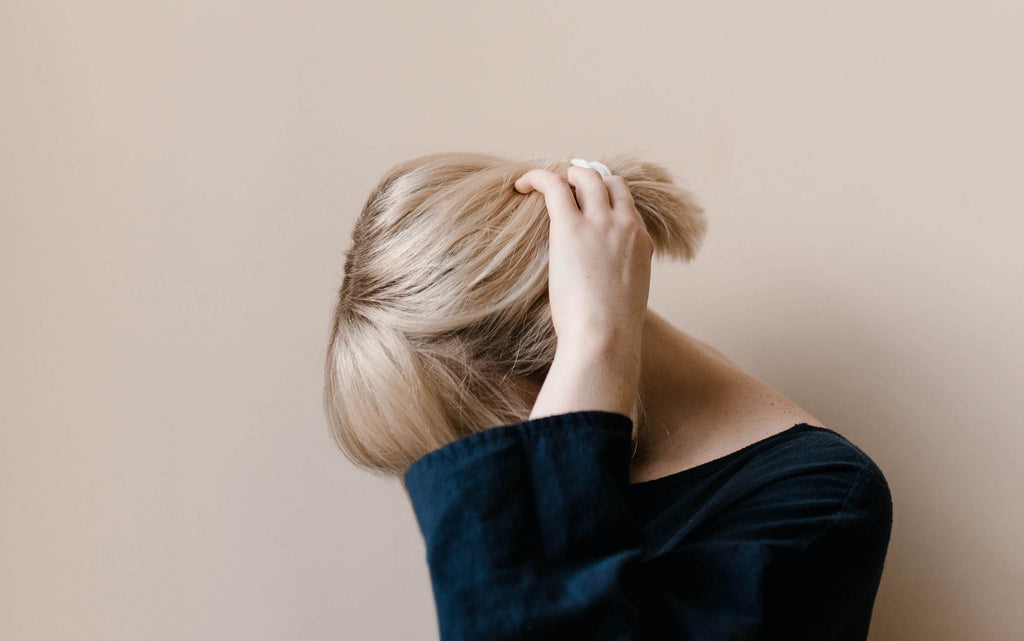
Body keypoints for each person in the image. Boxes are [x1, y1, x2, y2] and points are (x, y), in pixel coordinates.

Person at [324, 153, 892, 640]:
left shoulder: (820, 499)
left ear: (554, 352)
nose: (494, 496)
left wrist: (597, 336)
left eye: (479, 444)